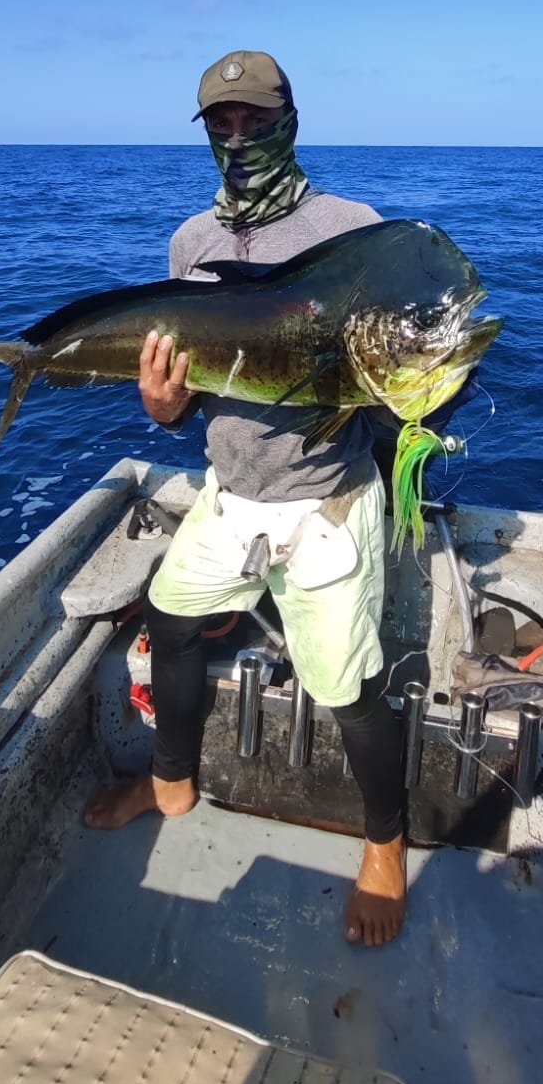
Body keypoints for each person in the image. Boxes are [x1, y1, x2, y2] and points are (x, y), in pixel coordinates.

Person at [86, 50, 407, 947]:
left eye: (255, 123)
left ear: (290, 120)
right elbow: (184, 397)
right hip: (229, 489)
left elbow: (388, 366)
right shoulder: (191, 243)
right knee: (173, 617)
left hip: (326, 494)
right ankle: (170, 780)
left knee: (347, 689)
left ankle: (387, 843)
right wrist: (159, 408)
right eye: (221, 126)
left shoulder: (355, 230)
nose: (238, 140)